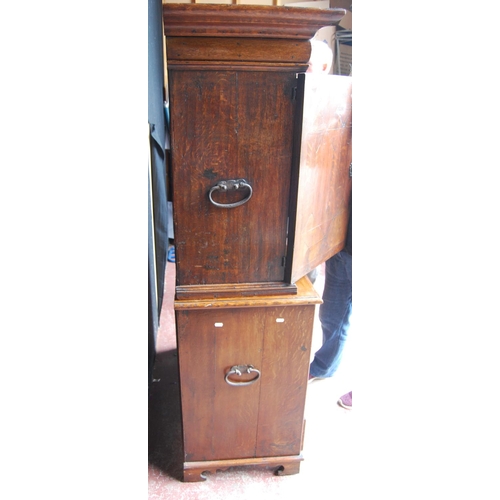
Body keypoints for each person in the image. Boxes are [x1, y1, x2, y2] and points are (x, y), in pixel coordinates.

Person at [305, 39, 352, 410]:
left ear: (323, 68)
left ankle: (327, 363)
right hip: (335, 229)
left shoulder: (340, 101)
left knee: (341, 304)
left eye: (309, 65)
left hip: (345, 230)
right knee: (333, 304)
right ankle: (326, 363)